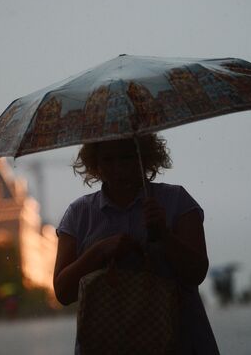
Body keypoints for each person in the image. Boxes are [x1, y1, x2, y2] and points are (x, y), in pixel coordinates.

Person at [53, 134, 220, 354]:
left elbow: (196, 273)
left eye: (127, 157)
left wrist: (164, 235)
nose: (118, 168)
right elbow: (63, 292)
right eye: (108, 160)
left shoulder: (178, 201)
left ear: (145, 157)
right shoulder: (79, 214)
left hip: (181, 342)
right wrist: (99, 251)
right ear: (96, 163)